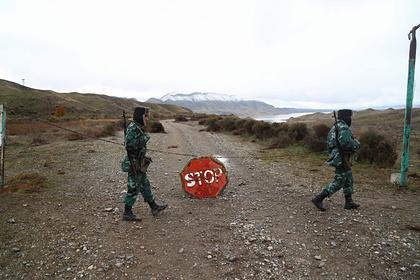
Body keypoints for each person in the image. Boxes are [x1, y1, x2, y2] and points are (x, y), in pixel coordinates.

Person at [122, 106, 167, 221]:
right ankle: (127, 212)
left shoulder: (138, 127)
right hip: (134, 163)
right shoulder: (133, 128)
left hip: (140, 162)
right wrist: (145, 138)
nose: (146, 119)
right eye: (145, 116)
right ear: (140, 116)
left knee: (145, 185)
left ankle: (154, 207)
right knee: (133, 187)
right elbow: (130, 145)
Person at [312, 109, 360, 211]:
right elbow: (347, 144)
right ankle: (319, 198)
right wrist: (356, 143)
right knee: (339, 181)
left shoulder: (334, 128)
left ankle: (349, 201)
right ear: (346, 117)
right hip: (342, 158)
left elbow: (329, 145)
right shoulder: (343, 128)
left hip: (338, 157)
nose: (350, 119)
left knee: (348, 178)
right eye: (350, 117)